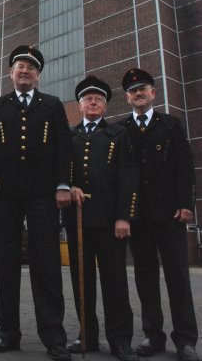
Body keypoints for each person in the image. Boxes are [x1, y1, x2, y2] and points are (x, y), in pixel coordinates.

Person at [0, 45, 73, 361]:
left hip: (43, 195)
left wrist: (62, 185)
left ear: (38, 75)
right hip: (5, 195)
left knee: (46, 264)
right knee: (5, 263)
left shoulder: (52, 106)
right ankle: (8, 333)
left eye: (31, 67)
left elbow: (64, 149)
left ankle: (54, 337)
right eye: (19, 66)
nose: (25, 71)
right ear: (11, 72)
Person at [121, 68, 199, 361]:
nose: (138, 93)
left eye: (143, 89)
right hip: (139, 217)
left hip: (169, 215)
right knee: (145, 278)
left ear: (153, 93)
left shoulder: (171, 125)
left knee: (178, 276)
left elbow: (184, 167)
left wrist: (186, 204)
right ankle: (153, 335)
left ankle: (186, 340)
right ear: (128, 98)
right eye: (133, 91)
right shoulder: (122, 129)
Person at [64, 75, 138, 361]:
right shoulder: (69, 135)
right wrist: (67, 186)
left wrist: (124, 217)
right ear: (80, 105)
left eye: (98, 99)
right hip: (77, 219)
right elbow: (60, 170)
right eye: (87, 98)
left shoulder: (118, 134)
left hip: (110, 221)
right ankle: (88, 336)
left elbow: (128, 177)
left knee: (114, 281)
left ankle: (120, 340)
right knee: (81, 281)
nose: (92, 102)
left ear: (105, 106)